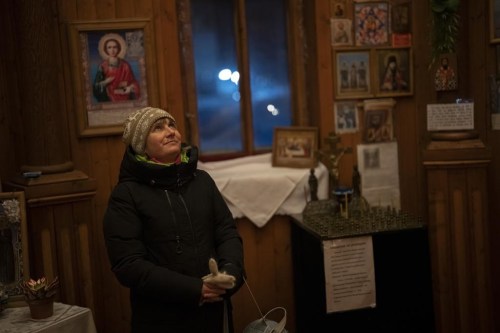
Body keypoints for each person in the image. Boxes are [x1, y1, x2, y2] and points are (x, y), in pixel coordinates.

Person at [103, 107, 245, 333]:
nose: (170, 132)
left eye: (172, 125)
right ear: (141, 145)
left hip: (214, 312)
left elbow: (226, 232)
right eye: (158, 128)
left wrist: (229, 274)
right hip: (162, 318)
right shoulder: (127, 195)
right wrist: (195, 289)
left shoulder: (203, 181)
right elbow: (128, 264)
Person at [93, 33, 141, 102]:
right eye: (109, 47)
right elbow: (96, 86)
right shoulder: (103, 66)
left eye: (115, 47)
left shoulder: (125, 65)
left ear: (119, 48)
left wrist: (130, 87)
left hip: (125, 96)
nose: (112, 50)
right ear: (106, 49)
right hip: (108, 97)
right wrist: (105, 82)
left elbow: (133, 82)